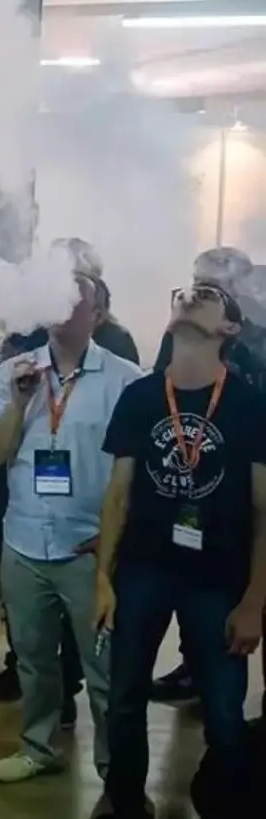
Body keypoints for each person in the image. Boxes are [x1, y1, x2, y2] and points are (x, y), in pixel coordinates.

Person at [96, 282, 264, 819]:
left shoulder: (249, 403)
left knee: (223, 712)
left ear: (229, 328)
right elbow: (118, 494)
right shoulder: (141, 397)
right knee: (125, 699)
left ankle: (226, 804)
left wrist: (254, 601)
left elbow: (264, 510)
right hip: (143, 567)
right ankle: (125, 803)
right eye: (185, 293)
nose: (191, 296)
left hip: (218, 577)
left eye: (208, 295)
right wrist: (102, 578)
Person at [0, 274, 142, 785]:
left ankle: (116, 775)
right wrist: (21, 401)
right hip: (24, 542)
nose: (60, 303)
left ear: (97, 315)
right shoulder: (14, 372)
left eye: (76, 298)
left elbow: (136, 475)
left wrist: (116, 541)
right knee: (32, 660)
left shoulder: (125, 380)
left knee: (105, 670)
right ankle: (38, 746)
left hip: (90, 549)